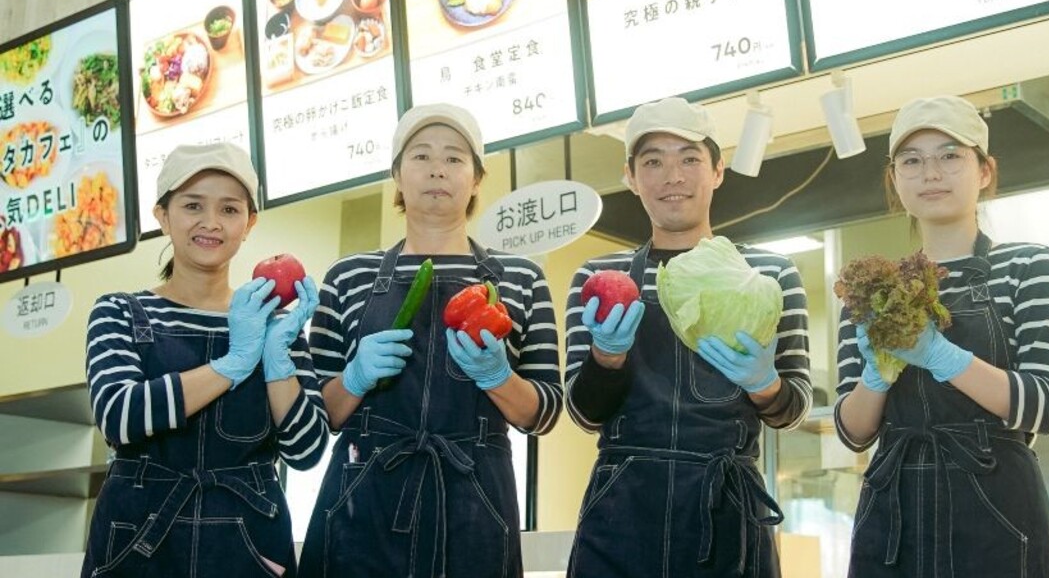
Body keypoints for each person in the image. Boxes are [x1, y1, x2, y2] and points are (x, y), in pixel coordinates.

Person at [298, 104, 562, 578]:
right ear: (397, 176)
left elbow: (543, 413)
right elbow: (319, 416)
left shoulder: (521, 278)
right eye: (420, 156)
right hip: (363, 500)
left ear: (477, 179)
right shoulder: (348, 276)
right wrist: (355, 378)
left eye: (454, 158)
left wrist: (498, 378)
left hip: (476, 501)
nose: (437, 169)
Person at [564, 96, 812, 578]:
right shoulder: (599, 276)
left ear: (717, 170)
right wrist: (606, 358)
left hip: (728, 507)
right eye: (653, 162)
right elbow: (583, 413)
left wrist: (765, 384)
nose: (672, 176)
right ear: (630, 177)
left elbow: (794, 408)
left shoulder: (768, 274)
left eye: (690, 159)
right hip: (623, 508)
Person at [835, 95, 1049, 577]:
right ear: (894, 179)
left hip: (997, 513)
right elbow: (853, 431)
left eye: (949, 155)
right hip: (894, 513)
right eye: (911, 161)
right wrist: (875, 377)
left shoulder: (1029, 266)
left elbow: (1045, 407)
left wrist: (941, 356)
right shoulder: (872, 289)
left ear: (984, 170)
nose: (930, 174)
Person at [82, 143, 327, 577]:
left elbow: (306, 450)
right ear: (162, 216)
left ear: (249, 223)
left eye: (229, 209)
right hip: (137, 540)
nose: (211, 222)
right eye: (193, 205)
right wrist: (233, 363)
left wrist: (277, 363)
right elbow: (119, 417)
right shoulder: (119, 312)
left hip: (249, 543)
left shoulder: (277, 326)